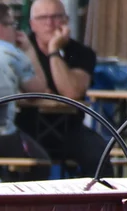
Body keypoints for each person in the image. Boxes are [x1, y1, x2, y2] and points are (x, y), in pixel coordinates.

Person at [16, 0, 111, 177]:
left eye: (56, 17)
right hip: (27, 124)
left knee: (99, 155)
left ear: (66, 20)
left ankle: (99, 202)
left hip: (68, 126)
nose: (50, 23)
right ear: (32, 24)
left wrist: (54, 51)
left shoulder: (81, 52)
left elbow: (72, 93)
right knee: (26, 162)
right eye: (43, 18)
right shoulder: (20, 48)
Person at [0, 2, 52, 181]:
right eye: (12, 25)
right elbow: (38, 90)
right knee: (41, 162)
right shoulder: (11, 53)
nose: (15, 31)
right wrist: (29, 50)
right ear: (0, 27)